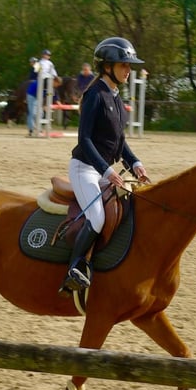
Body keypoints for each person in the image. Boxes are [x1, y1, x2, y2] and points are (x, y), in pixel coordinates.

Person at [59, 37, 149, 296]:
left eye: (129, 66)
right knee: (97, 217)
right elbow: (84, 140)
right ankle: (74, 268)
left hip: (101, 171)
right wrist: (108, 171)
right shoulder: (95, 94)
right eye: (124, 65)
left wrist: (136, 164)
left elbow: (119, 143)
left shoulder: (117, 98)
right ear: (107, 66)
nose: (128, 70)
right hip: (84, 168)